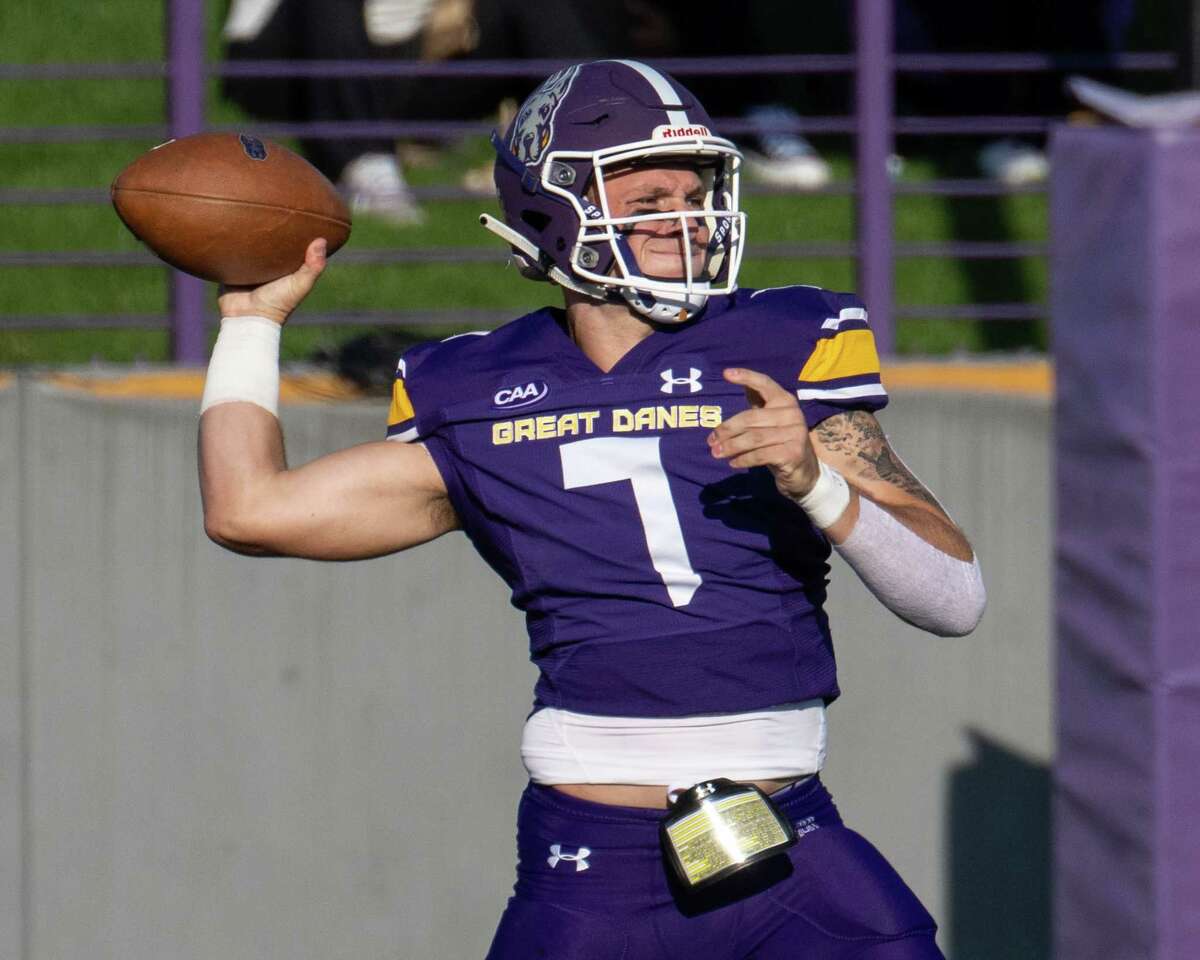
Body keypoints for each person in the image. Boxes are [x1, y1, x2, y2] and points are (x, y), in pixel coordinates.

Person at [199, 59, 985, 959]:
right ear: (556, 205)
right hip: (595, 864)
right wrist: (252, 324)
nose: (684, 215)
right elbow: (247, 510)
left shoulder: (787, 340)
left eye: (696, 191)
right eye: (650, 193)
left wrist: (819, 482)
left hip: (788, 840)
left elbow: (954, 600)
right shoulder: (471, 384)